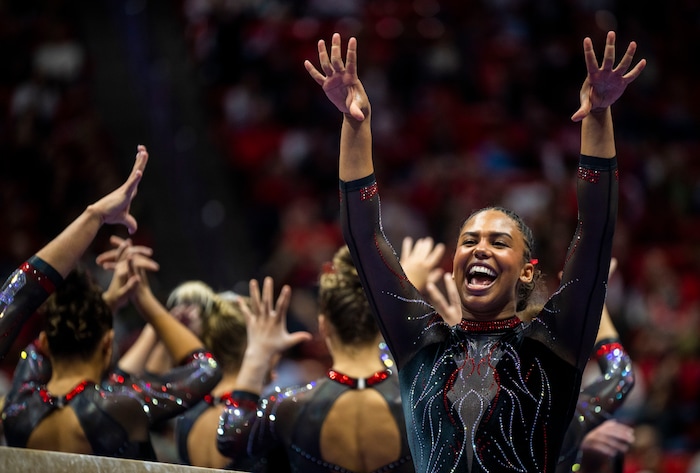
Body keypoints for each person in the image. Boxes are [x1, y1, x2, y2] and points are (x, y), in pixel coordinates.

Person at [304, 31, 645, 472]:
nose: (479, 249)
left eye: (498, 242)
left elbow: (595, 228)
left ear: (526, 272)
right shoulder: (419, 346)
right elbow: (365, 239)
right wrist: (356, 126)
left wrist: (598, 116)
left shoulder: (554, 345)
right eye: (469, 240)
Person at [0, 160, 223, 460]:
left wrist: (100, 308)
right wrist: (145, 301)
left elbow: (17, 307)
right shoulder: (119, 404)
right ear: (108, 344)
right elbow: (204, 368)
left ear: (48, 342)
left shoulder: (17, 407)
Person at [217, 246, 416, 473]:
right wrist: (400, 309)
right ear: (381, 324)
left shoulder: (289, 408)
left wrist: (257, 354)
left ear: (323, 326)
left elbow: (230, 439)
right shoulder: (418, 401)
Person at [0, 145, 148, 361]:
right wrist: (94, 216)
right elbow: (17, 298)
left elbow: (17, 299)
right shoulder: (29, 388)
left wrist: (94, 216)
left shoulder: (28, 390)